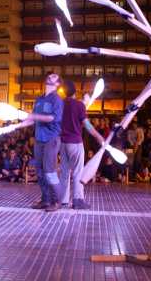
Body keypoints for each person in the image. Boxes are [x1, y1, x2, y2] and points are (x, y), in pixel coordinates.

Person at [16, 73, 64, 212]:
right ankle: (45, 200)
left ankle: (57, 201)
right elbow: (32, 119)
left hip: (51, 138)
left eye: (54, 76)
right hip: (39, 139)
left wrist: (32, 115)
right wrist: (16, 126)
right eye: (50, 75)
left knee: (49, 171)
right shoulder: (39, 99)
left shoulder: (57, 100)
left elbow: (52, 118)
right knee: (40, 172)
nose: (51, 76)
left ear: (57, 84)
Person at [59, 80, 105, 210]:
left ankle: (63, 200)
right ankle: (77, 200)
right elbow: (87, 125)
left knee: (64, 173)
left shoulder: (61, 104)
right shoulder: (79, 106)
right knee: (78, 172)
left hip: (63, 143)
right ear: (75, 91)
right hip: (75, 143)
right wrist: (98, 136)